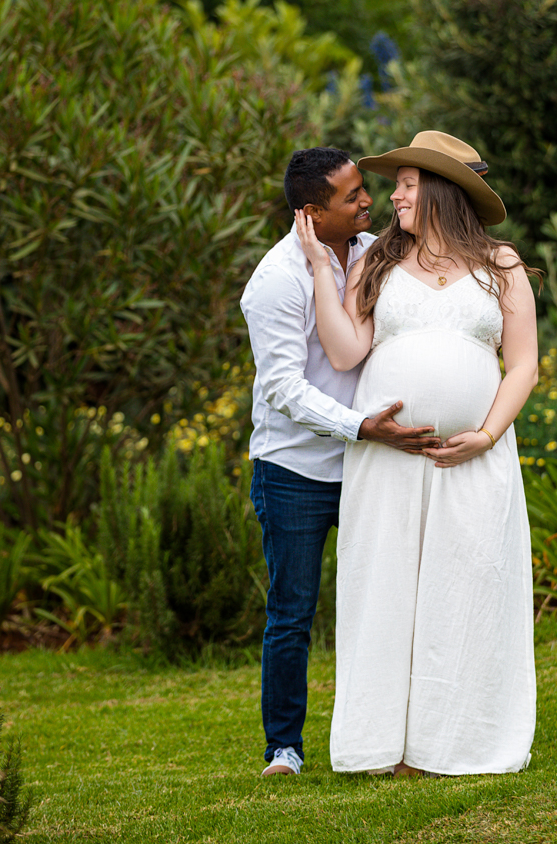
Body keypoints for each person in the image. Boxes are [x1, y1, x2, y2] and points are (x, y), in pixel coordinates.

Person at [295, 130, 539, 777]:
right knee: (385, 594)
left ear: (440, 190)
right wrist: (324, 268)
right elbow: (347, 351)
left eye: (405, 183)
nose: (392, 196)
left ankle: (452, 743)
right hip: (388, 465)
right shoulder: (376, 264)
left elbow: (523, 366)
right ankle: (381, 746)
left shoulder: (502, 266)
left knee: (465, 595)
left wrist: (484, 434)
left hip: (474, 463)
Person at [240, 147, 440, 778]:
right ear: (311, 213)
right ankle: (284, 748)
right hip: (296, 470)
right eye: (352, 197)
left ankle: (386, 732)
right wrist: (362, 427)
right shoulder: (275, 282)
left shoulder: (368, 250)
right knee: (293, 611)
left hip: (367, 465)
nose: (367, 202)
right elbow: (282, 388)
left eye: (364, 190)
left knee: (378, 599)